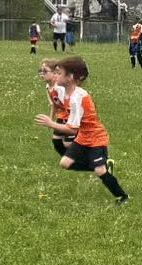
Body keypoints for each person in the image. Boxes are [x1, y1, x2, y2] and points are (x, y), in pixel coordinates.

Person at [34, 54, 128, 202]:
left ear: (70, 77)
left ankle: (122, 196)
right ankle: (101, 165)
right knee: (65, 163)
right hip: (84, 136)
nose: (56, 76)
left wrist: (50, 123)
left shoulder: (77, 98)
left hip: (96, 138)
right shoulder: (68, 92)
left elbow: (72, 129)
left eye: (59, 73)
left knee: (100, 171)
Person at [37, 59, 70, 159]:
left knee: (68, 143)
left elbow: (70, 105)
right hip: (62, 116)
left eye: (45, 71)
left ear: (55, 73)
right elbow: (53, 105)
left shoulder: (59, 88)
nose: (42, 74)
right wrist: (50, 121)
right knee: (56, 140)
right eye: (40, 71)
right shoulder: (48, 86)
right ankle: (70, 160)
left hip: (70, 117)